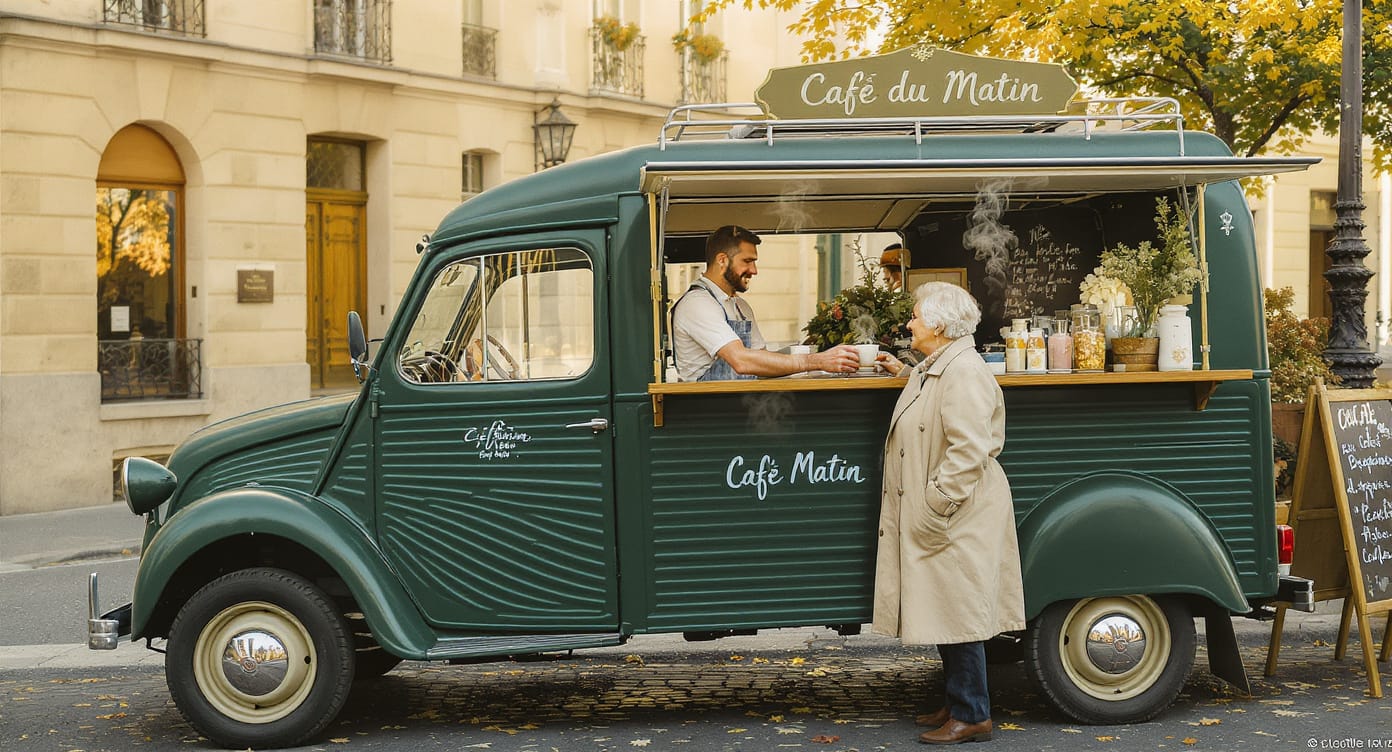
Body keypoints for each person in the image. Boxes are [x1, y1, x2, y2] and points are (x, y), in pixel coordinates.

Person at [872, 282, 1025, 745]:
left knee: (959, 611)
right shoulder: (941, 365)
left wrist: (936, 502)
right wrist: (902, 369)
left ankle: (973, 714)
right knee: (945, 605)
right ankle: (958, 700)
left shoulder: (964, 373)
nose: (909, 324)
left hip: (958, 512)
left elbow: (969, 449)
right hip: (950, 511)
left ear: (938, 325)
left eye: (916, 317)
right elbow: (929, 402)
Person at [671, 225, 860, 381]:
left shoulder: (740, 306)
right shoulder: (697, 304)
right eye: (747, 261)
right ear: (722, 260)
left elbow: (761, 360)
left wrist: (811, 355)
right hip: (706, 409)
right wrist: (816, 361)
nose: (754, 270)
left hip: (742, 405)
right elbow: (742, 361)